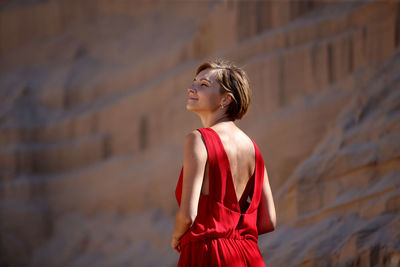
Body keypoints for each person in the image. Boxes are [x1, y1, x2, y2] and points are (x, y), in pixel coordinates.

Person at [171, 58, 276, 266]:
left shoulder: (198, 139)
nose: (191, 88)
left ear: (225, 100)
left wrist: (177, 237)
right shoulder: (253, 148)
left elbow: (187, 216)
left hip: (207, 252)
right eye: (194, 82)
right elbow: (268, 220)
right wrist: (234, 231)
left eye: (203, 85)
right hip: (248, 256)